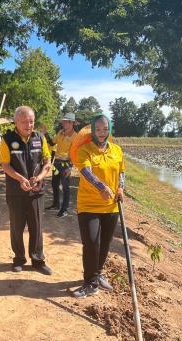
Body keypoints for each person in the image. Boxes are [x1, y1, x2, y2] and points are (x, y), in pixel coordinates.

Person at [72, 113, 125, 297]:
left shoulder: (117, 150)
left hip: (111, 205)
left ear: (109, 129)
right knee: (91, 243)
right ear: (93, 131)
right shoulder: (84, 150)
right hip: (89, 204)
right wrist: (101, 186)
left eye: (105, 129)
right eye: (98, 129)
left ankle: (99, 273)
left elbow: (121, 172)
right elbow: (86, 172)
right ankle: (89, 282)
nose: (102, 133)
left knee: (104, 243)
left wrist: (121, 188)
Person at [0, 105, 53, 275]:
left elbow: (47, 162)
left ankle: (37, 260)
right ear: (16, 122)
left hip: (36, 190)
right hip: (15, 191)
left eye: (31, 121)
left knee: (36, 227)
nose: (28, 125)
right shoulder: (7, 139)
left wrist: (39, 177)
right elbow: (5, 165)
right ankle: (19, 259)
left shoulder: (40, 138)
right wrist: (20, 179)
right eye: (24, 121)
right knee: (16, 227)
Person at [45, 113, 77, 218]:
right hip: (57, 162)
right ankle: (56, 204)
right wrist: (45, 134)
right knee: (54, 184)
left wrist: (70, 166)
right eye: (63, 121)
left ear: (71, 123)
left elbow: (75, 153)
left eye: (65, 121)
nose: (63, 123)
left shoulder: (75, 137)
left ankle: (64, 209)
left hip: (66, 164)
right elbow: (52, 143)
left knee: (65, 187)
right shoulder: (60, 133)